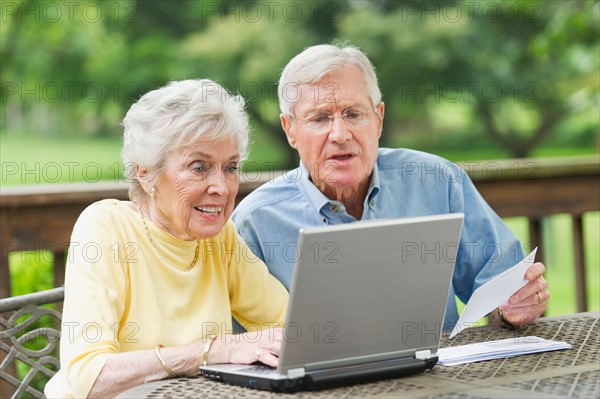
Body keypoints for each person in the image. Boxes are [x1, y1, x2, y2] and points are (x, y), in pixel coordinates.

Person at [231, 43, 549, 331]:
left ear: (378, 120)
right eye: (320, 118)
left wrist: (513, 306)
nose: (339, 133)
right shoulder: (254, 222)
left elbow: (502, 287)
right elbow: (240, 347)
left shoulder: (437, 181)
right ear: (290, 130)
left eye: (353, 114)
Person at [45, 79, 288, 398]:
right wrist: (211, 351)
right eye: (199, 167)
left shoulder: (219, 235)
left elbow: (290, 325)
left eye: (230, 167)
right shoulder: (105, 227)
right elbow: (90, 378)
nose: (222, 187)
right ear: (146, 173)